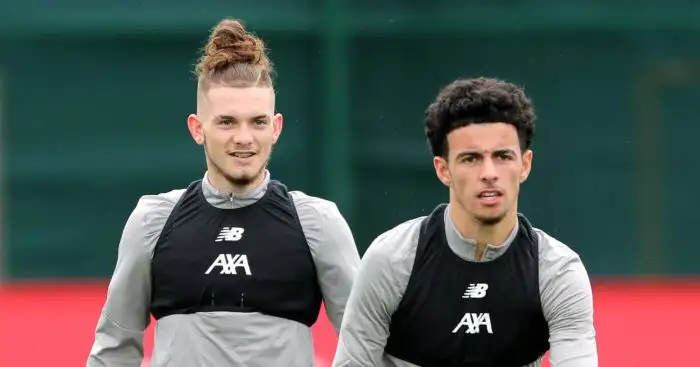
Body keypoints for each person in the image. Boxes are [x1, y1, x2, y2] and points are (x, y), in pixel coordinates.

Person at [87, 18, 361, 367]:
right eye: (227, 122)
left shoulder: (317, 223)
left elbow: (366, 346)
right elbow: (114, 349)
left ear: (276, 127)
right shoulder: (153, 221)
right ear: (197, 129)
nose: (244, 137)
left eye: (258, 122)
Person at [332, 77, 598, 367]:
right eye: (471, 159)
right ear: (443, 169)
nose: (489, 172)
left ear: (525, 164)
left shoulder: (556, 270)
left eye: (503, 156)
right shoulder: (392, 260)